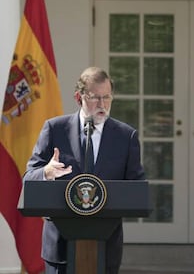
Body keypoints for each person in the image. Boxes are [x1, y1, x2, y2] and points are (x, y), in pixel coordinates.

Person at [24, 67, 145, 274]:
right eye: (95, 97)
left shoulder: (126, 136)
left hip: (105, 246)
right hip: (59, 247)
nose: (102, 104)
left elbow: (137, 188)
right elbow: (29, 178)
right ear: (79, 97)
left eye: (107, 97)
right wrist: (46, 172)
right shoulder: (55, 129)